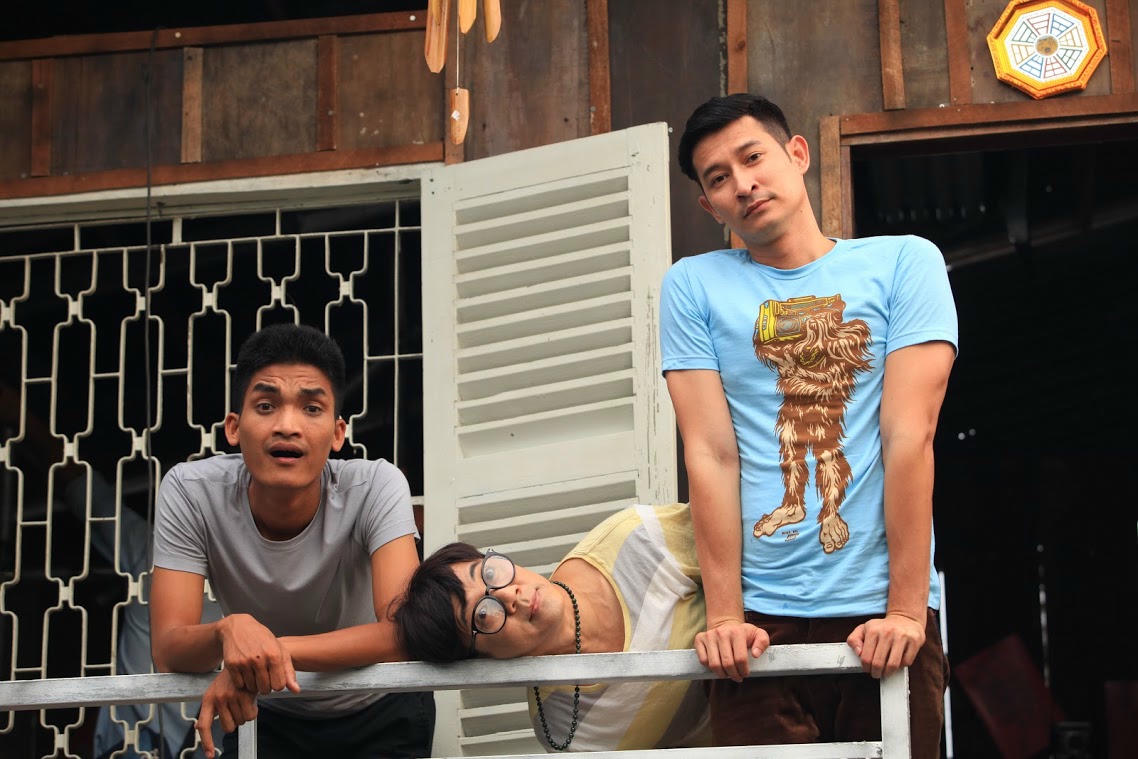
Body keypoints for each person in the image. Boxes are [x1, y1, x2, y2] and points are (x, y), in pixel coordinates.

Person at [660, 93, 956, 754]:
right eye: (718, 178)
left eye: (752, 158)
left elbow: (908, 436)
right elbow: (710, 452)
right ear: (709, 206)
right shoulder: (693, 286)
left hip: (881, 608)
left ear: (797, 154)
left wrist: (907, 610)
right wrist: (725, 615)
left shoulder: (904, 262)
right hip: (756, 625)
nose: (742, 184)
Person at [150, 323, 433, 759]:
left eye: (312, 409)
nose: (287, 426)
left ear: (337, 434)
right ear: (233, 427)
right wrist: (227, 631)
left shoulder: (375, 485)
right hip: (266, 713)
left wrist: (272, 651)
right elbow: (168, 649)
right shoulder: (191, 492)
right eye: (265, 406)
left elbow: (402, 634)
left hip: (379, 704)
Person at [392, 503, 721, 752]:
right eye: (483, 614)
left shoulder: (635, 539)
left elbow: (745, 547)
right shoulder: (561, 727)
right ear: (481, 658)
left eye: (489, 573)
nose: (509, 595)